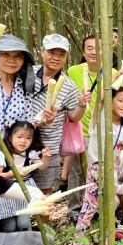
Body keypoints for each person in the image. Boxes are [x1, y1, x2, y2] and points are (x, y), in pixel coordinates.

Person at [66, 35, 123, 223]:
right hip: (78, 129)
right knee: (77, 172)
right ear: (83, 52)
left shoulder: (113, 71)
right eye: (89, 48)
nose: (94, 52)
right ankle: (75, 209)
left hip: (101, 131)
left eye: (98, 48)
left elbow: (120, 100)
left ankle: (97, 207)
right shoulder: (73, 71)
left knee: (100, 172)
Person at [72, 86, 123, 245]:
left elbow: (114, 146)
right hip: (97, 168)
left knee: (110, 204)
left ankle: (107, 240)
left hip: (112, 168)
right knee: (90, 206)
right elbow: (100, 98)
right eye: (120, 100)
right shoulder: (102, 117)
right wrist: (116, 76)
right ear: (111, 100)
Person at [29, 34, 84, 194]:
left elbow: (74, 117)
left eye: (61, 54)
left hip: (48, 147)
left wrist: (82, 104)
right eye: (52, 52)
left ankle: (43, 220)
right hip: (19, 144)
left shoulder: (69, 85)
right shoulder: (27, 74)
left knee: (45, 193)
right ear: (42, 52)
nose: (56, 58)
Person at [0, 121, 51, 232]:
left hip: (25, 189)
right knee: (10, 226)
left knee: (24, 223)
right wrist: (13, 174)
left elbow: (42, 166)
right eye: (19, 137)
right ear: (10, 137)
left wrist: (45, 157)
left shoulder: (31, 154)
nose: (23, 141)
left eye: (28, 138)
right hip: (7, 191)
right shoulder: (2, 155)